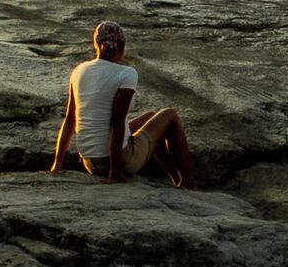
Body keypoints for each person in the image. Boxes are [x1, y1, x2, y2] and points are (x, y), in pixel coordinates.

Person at [47, 20, 193, 186]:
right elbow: (116, 122)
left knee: (152, 118)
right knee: (170, 115)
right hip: (117, 161)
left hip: (89, 162)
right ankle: (188, 183)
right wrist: (115, 172)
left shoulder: (79, 71)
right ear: (122, 48)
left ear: (96, 44)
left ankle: (176, 180)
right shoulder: (126, 74)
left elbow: (70, 119)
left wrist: (57, 163)